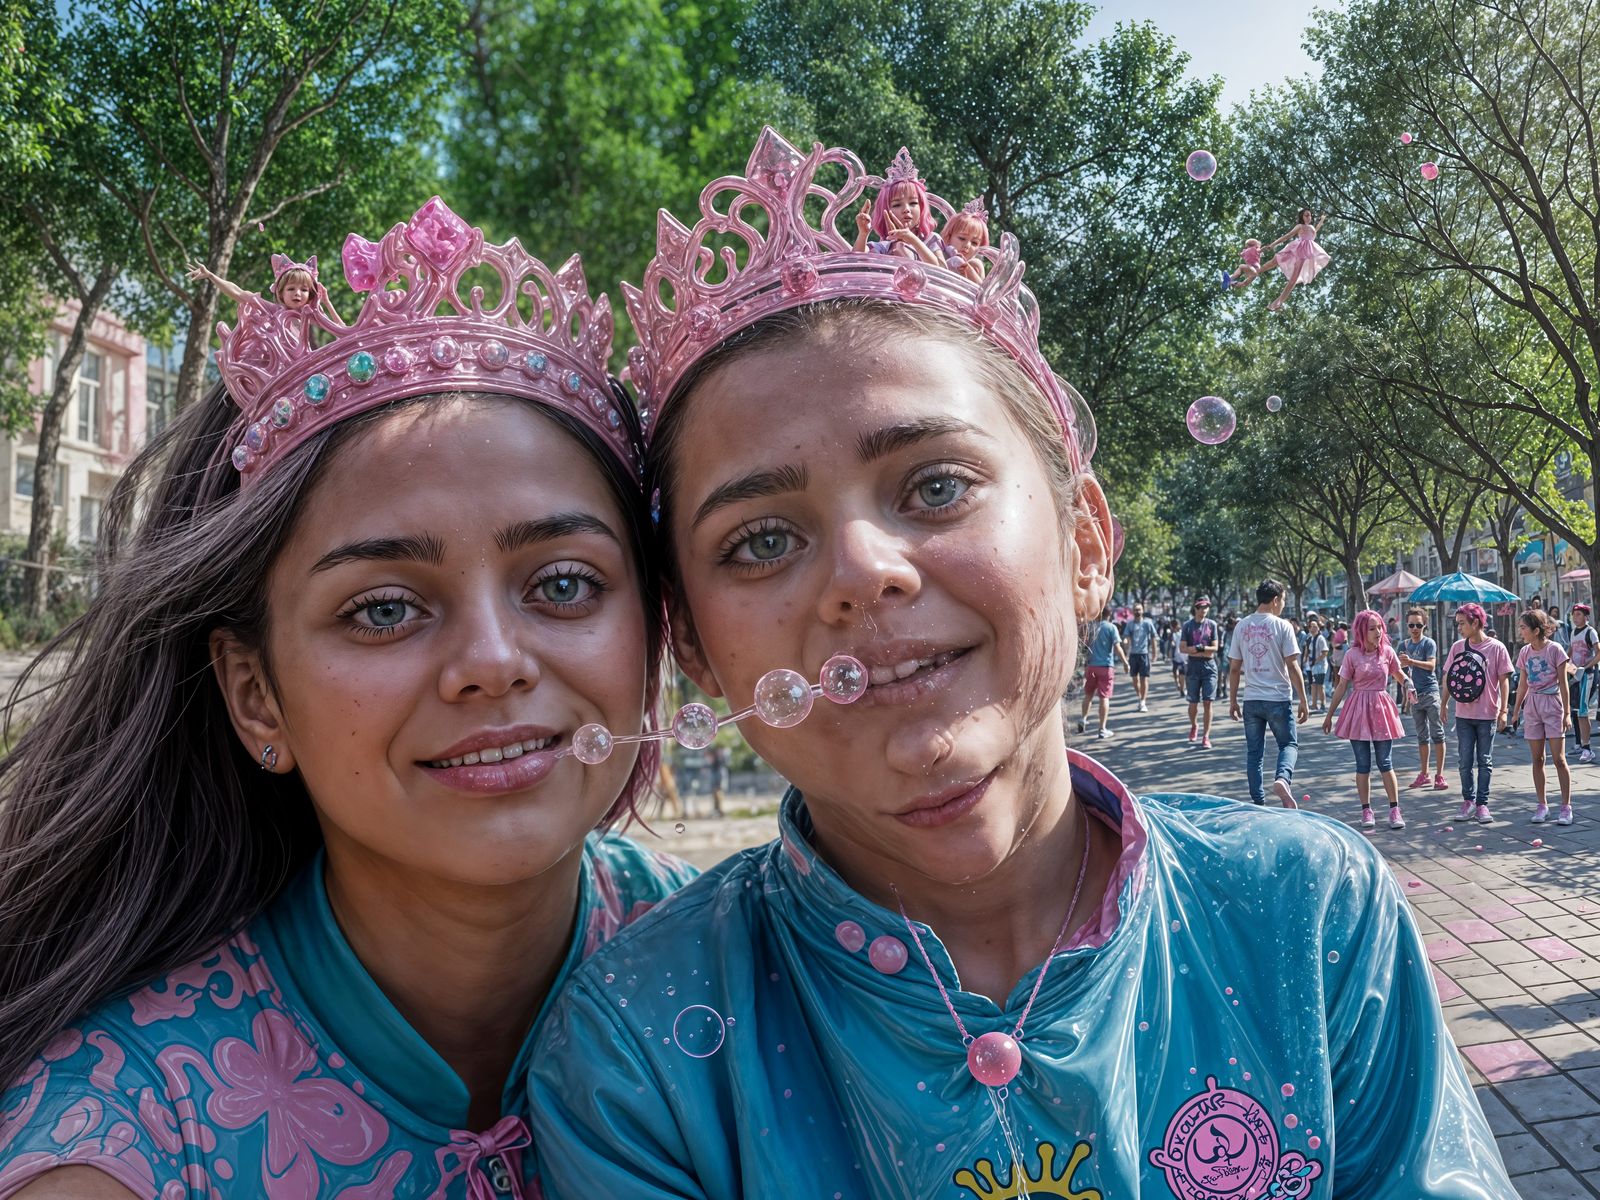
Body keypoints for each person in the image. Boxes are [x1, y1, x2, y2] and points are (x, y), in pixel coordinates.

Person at [527, 128, 1514, 1199]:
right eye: (760, 540)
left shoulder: (1307, 918)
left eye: (936, 486)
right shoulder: (639, 1055)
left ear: (1085, 543)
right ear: (690, 643)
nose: (864, 571)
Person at [0, 201, 695, 1198]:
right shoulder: (128, 1141)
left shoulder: (753, 968)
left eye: (564, 584)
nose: (492, 662)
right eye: (383, 610)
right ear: (256, 696)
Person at [1324, 610, 1415, 831]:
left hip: (1382, 710)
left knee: (1385, 762)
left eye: (1380, 627)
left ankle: (1394, 809)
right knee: (1363, 764)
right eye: (1372, 628)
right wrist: (1329, 716)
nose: (1378, 632)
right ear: (1361, 632)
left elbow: (1398, 673)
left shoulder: (1388, 652)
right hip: (1358, 712)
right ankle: (1366, 810)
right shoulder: (1352, 655)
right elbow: (1342, 686)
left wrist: (1408, 684)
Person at [1227, 579, 1308, 808]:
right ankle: (1282, 778)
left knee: (1254, 753)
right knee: (1288, 745)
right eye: (1283, 600)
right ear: (1275, 600)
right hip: (1278, 698)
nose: (1283, 605)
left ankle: (1258, 801)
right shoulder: (1283, 626)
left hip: (1251, 699)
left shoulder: (1241, 626)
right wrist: (1303, 699)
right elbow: (1292, 665)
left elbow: (1234, 668)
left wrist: (1233, 701)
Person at [1443, 602, 1515, 825]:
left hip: (1487, 714)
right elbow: (1448, 677)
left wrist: (1504, 710)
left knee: (1485, 760)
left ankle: (1482, 804)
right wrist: (1444, 703)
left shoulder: (1497, 648)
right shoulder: (1457, 647)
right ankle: (1468, 801)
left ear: (1475, 623)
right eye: (1457, 624)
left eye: (1462, 623)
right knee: (1464, 760)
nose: (1459, 628)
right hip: (1463, 715)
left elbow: (1504, 681)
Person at [1510, 610, 1574, 825]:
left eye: (1523, 628)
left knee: (1559, 759)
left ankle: (1566, 807)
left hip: (1553, 704)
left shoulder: (1555, 650)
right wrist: (1516, 711)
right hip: (1532, 705)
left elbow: (1564, 684)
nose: (1520, 631)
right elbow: (1522, 685)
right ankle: (1542, 805)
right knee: (1537, 759)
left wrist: (1567, 713)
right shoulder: (1525, 652)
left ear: (1536, 630)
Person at [1399, 609, 1448, 790]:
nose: (1415, 628)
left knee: (1438, 734)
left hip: (1430, 692)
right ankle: (1424, 773)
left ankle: (1439, 775)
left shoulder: (1429, 643)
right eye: (1411, 625)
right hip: (1414, 696)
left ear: (1424, 626)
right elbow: (1400, 672)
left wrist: (1411, 662)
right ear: (1407, 625)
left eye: (1418, 625)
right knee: (1421, 736)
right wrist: (1405, 697)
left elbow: (1431, 666)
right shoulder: (1403, 645)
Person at [1077, 607, 1130, 738]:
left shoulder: (1091, 628)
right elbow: (1117, 647)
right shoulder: (1111, 628)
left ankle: (1083, 719)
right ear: (1109, 614)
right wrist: (1125, 662)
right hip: (1106, 666)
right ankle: (1102, 729)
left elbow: (1083, 647)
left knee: (1088, 695)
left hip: (1091, 666)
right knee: (1104, 697)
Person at [1263, 209, 1330, 312]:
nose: (1308, 217)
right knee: (1282, 267)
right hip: (1299, 249)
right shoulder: (1300, 226)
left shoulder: (1311, 227)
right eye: (1306, 215)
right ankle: (1257, 272)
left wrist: (1322, 220)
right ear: (1302, 217)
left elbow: (1316, 229)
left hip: (1307, 253)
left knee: (1293, 280)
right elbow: (1287, 236)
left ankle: (1277, 304)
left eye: (1310, 215)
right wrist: (1273, 244)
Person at [1180, 597, 1221, 748]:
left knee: (1208, 701)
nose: (1204, 610)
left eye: (1206, 607)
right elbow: (1183, 648)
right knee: (1193, 702)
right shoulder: (1187, 626)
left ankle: (1206, 736)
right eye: (1201, 607)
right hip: (1193, 666)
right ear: (1196, 608)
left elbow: (1214, 648)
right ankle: (1194, 725)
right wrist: (1200, 650)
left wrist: (1199, 648)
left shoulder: (1212, 625)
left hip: (1209, 666)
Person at [1568, 603, 1598, 762]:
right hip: (1575, 674)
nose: (1575, 617)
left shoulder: (1590, 632)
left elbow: (1598, 653)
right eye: (1574, 614)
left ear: (1586, 617)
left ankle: (1587, 749)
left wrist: (1586, 667)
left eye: (1579, 614)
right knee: (1574, 710)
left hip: (1588, 675)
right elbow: (1571, 651)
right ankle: (1579, 744)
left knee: (1582, 710)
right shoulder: (1573, 632)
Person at [1123, 602, 1158, 712]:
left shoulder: (1148, 623)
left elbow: (1153, 638)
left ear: (1143, 611)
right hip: (1133, 655)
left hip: (1144, 654)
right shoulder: (1130, 624)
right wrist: (1125, 646)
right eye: (1135, 610)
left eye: (1139, 609)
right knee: (1135, 679)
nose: (1137, 611)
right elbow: (1126, 637)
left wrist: (1154, 653)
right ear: (1133, 611)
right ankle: (1140, 697)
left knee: (1144, 678)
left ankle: (1143, 701)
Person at [1303, 614, 1329, 710]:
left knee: (1320, 685)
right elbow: (1307, 649)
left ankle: (1323, 704)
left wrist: (1315, 661)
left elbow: (1325, 652)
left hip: (1320, 665)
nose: (1313, 628)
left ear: (1318, 627)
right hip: (1310, 665)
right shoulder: (1310, 638)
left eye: (1315, 626)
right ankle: (1314, 704)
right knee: (1313, 685)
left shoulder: (1320, 638)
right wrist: (1305, 659)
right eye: (1311, 626)